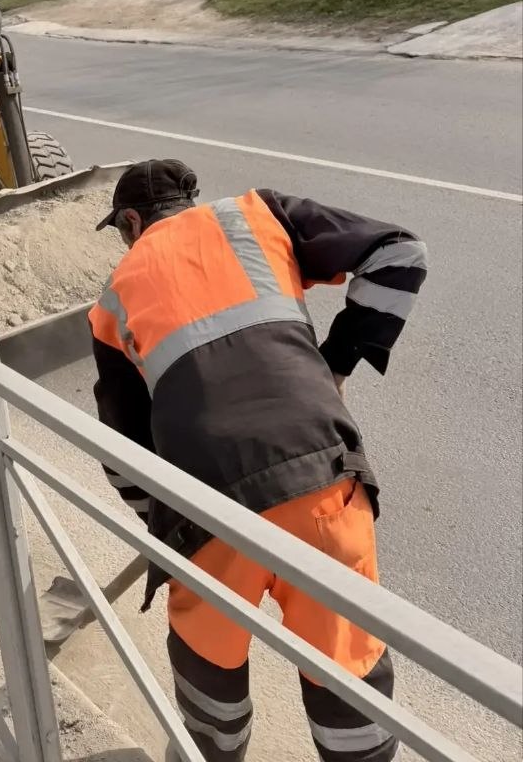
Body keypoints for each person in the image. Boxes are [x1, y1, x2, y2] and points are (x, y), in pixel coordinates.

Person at [89, 160, 428, 762]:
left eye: (120, 229)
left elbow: (124, 452)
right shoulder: (259, 215)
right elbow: (401, 254)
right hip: (323, 488)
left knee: (211, 693)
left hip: (208, 519)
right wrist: (336, 365)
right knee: (347, 683)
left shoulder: (112, 300)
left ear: (133, 221)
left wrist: (160, 527)